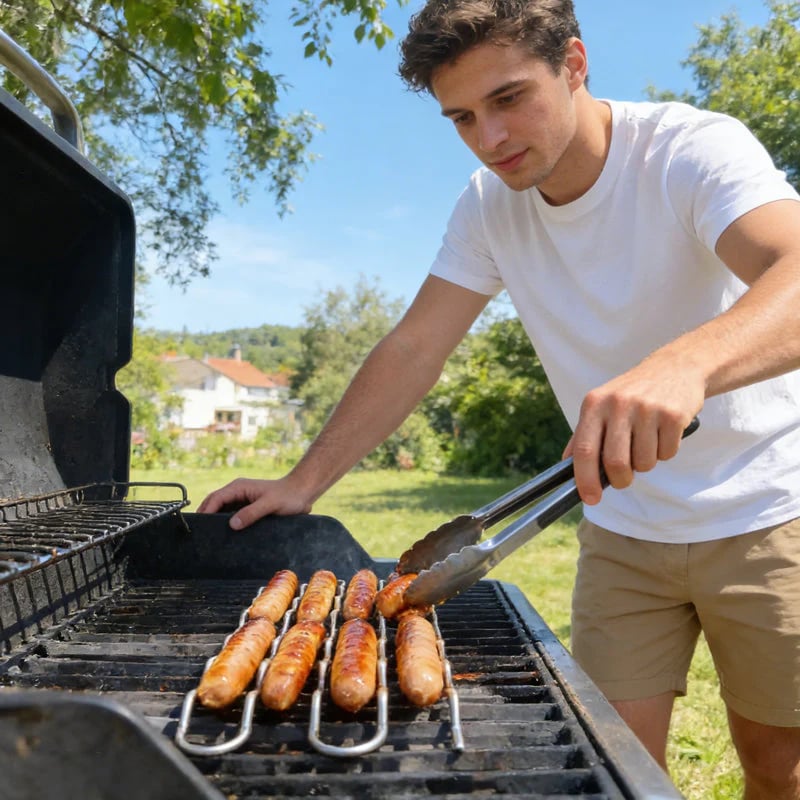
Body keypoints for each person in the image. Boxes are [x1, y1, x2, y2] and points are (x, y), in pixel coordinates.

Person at [198, 1, 800, 795]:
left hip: (766, 511)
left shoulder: (689, 150)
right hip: (621, 527)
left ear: (574, 64)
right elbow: (415, 346)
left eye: (510, 98)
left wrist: (684, 363)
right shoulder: (487, 204)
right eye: (462, 117)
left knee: (776, 764)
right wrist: (303, 484)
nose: (490, 139)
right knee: (616, 772)